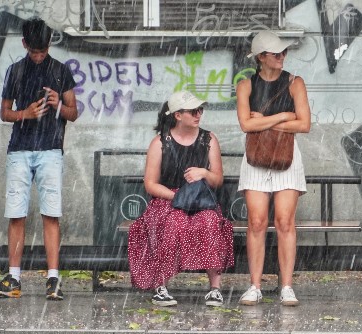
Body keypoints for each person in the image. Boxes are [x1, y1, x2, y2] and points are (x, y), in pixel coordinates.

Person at [0, 17, 78, 300]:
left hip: (51, 149)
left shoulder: (61, 71)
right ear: (25, 44)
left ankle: (53, 279)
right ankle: (14, 277)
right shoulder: (15, 72)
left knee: (51, 214)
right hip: (20, 149)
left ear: (49, 44)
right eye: (34, 51)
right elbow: (4, 113)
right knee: (16, 214)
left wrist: (58, 105)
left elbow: (74, 112)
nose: (39, 56)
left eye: (42, 51)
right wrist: (24, 114)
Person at [127, 91, 234, 307]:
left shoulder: (208, 139)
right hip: (169, 199)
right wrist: (177, 196)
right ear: (177, 115)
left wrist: (204, 173)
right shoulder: (159, 143)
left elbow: (218, 179)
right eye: (193, 111)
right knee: (173, 223)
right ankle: (161, 285)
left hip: (201, 200)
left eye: (200, 110)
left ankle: (215, 288)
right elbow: (150, 183)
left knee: (210, 222)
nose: (198, 115)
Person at [236, 30, 311, 307]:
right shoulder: (246, 85)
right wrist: (283, 116)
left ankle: (287, 285)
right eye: (275, 53)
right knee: (256, 222)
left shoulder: (294, 82)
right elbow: (245, 124)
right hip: (255, 157)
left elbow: (304, 124)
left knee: (284, 221)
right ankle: (255, 285)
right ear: (261, 58)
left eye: (284, 53)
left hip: (286, 156)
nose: (282, 57)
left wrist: (265, 120)